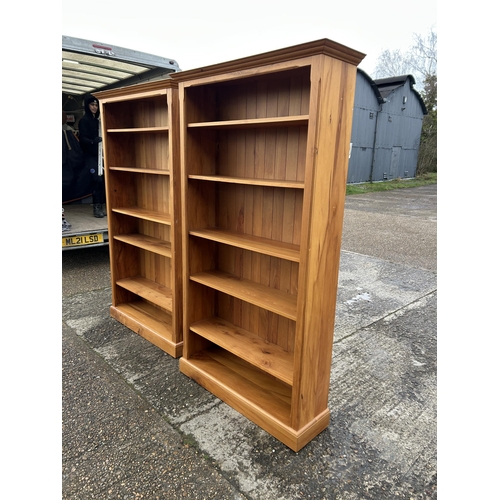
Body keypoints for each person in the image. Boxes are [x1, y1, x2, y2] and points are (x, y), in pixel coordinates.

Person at [78, 95, 106, 218]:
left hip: (99, 155)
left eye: (96, 105)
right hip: (89, 156)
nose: (94, 107)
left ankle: (101, 205)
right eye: (92, 105)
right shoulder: (84, 121)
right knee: (97, 179)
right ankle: (97, 207)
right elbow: (82, 139)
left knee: (103, 181)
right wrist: (93, 141)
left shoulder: (98, 121)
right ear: (87, 106)